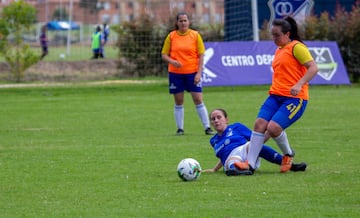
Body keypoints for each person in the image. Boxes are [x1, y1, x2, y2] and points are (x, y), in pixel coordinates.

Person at [239, 16, 319, 175]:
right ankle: (250, 165)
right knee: (259, 124)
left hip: (295, 98)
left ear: (287, 34)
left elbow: (313, 68)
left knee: (273, 128)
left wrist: (298, 84)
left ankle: (288, 154)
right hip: (275, 96)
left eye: (277, 35)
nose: (274, 38)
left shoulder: (297, 47)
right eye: (272, 35)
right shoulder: (279, 49)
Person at [202, 109, 307, 176]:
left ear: (226, 119)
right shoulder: (213, 140)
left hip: (245, 150)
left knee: (253, 146)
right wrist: (214, 169)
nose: (216, 120)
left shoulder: (236, 127)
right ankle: (241, 170)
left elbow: (257, 140)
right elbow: (222, 156)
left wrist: (270, 132)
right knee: (231, 163)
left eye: (219, 117)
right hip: (231, 158)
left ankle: (291, 165)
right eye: (213, 119)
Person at [161, 12, 214, 136]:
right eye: (181, 21)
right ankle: (180, 129)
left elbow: (201, 55)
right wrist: (172, 61)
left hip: (192, 73)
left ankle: (207, 127)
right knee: (179, 101)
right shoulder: (171, 36)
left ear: (189, 22)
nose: (183, 23)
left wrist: (199, 73)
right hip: (176, 74)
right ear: (177, 23)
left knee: (198, 99)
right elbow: (164, 54)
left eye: (185, 20)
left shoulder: (195, 35)